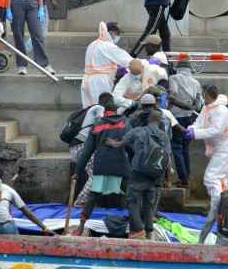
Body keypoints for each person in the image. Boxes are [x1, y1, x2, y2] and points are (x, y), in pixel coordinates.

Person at [106, 110, 169, 239]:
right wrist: (165, 177)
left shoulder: (139, 131)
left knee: (132, 202)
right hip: (155, 175)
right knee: (148, 205)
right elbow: (168, 157)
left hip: (138, 172)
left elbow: (120, 144)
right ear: (159, 121)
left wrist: (111, 143)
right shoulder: (164, 136)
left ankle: (139, 229)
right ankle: (149, 232)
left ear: (148, 119)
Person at [73, 95, 130, 235]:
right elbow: (132, 145)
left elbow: (86, 152)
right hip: (120, 164)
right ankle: (135, 227)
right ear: (117, 111)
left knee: (93, 196)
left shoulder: (97, 125)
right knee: (130, 195)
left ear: (104, 112)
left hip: (102, 165)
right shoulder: (125, 122)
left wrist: (77, 171)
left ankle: (80, 227)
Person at [185, 85, 228, 200]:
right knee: (221, 178)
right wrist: (192, 128)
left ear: (206, 95)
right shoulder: (207, 107)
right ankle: (223, 206)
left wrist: (195, 134)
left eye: (203, 94)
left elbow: (216, 130)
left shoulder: (221, 110)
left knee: (211, 177)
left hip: (225, 146)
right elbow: (199, 122)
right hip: (216, 146)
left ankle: (217, 207)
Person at [81, 22, 134, 108]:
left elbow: (100, 64)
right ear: (111, 33)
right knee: (102, 110)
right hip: (100, 83)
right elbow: (130, 62)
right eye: (117, 33)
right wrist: (146, 63)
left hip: (86, 81)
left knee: (88, 111)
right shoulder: (108, 46)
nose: (118, 36)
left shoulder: (92, 44)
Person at [169, 60, 203, 187]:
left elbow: (172, 97)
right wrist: (191, 107)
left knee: (177, 148)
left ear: (178, 69)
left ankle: (183, 179)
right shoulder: (196, 83)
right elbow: (199, 105)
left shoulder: (174, 79)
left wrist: (185, 106)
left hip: (177, 117)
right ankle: (186, 177)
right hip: (190, 119)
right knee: (185, 148)